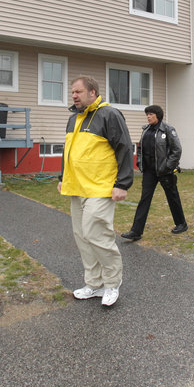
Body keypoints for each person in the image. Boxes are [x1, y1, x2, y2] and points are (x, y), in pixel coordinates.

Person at [58, 76, 134, 307]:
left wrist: (122, 184)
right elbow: (68, 152)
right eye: (72, 92)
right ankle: (94, 283)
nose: (74, 95)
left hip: (100, 187)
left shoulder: (109, 115)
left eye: (78, 91)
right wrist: (63, 177)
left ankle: (112, 283)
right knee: (82, 237)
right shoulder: (74, 118)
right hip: (77, 187)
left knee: (96, 234)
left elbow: (124, 148)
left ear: (93, 92)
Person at [121, 105, 188, 241]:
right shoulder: (146, 130)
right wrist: (140, 163)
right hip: (149, 172)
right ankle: (136, 231)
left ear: (158, 115)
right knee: (144, 199)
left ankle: (181, 224)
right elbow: (140, 148)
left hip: (165, 172)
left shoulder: (168, 129)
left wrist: (168, 167)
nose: (148, 116)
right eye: (147, 114)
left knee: (172, 197)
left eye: (151, 114)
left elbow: (177, 150)